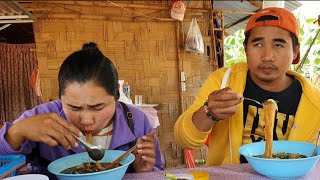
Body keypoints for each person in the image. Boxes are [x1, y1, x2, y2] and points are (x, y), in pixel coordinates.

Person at [174, 7, 320, 166]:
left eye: (278, 45)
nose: (267, 57)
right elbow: (183, 139)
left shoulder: (314, 102)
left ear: (296, 52)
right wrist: (209, 112)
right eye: (257, 44)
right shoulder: (224, 81)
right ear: (245, 49)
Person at [0, 42, 164, 178]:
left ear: (116, 97)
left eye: (98, 107)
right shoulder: (43, 117)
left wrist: (144, 172)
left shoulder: (136, 122)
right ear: (60, 99)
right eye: (74, 107)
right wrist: (16, 132)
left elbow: (160, 171)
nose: (86, 120)